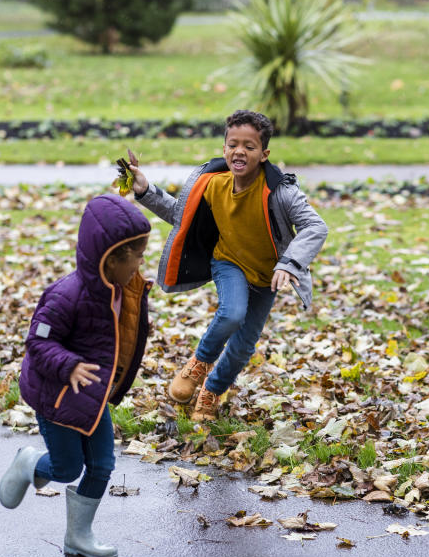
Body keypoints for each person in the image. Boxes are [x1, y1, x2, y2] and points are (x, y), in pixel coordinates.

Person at [128, 109, 328, 422]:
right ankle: (199, 363)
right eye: (233, 144)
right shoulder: (212, 185)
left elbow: (316, 227)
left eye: (250, 146)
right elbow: (179, 214)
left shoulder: (281, 193)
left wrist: (289, 264)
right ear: (224, 149)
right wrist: (143, 189)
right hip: (228, 261)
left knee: (244, 345)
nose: (240, 151)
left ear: (264, 154)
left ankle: (212, 390)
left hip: (267, 276)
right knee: (232, 313)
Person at [0, 194, 151, 557]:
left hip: (92, 397)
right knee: (67, 469)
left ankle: (78, 537)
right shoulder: (67, 295)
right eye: (137, 256)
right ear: (110, 259)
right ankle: (29, 463)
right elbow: (37, 340)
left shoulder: (121, 288)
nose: (141, 263)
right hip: (58, 397)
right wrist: (68, 365)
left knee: (101, 466)